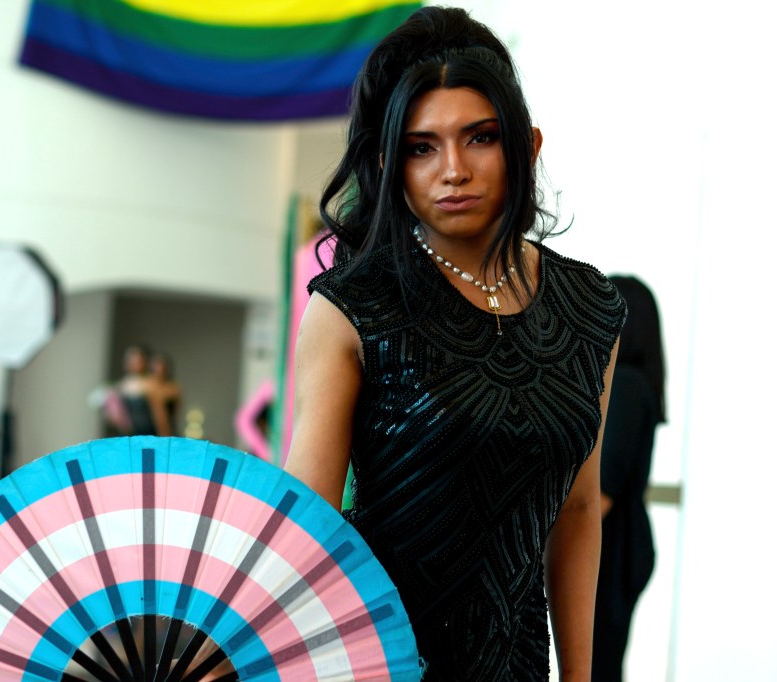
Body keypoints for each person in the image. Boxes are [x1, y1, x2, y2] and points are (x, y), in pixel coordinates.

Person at [283, 6, 627, 681]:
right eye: (422, 147)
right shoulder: (354, 308)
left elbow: (579, 508)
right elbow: (307, 526)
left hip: (517, 663)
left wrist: (581, 676)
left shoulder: (591, 308)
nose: (453, 170)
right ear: (389, 164)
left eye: (480, 138)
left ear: (526, 146)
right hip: (379, 660)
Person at [593, 276, 664, 681]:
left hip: (613, 550)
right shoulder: (636, 385)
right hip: (624, 544)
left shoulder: (625, 385)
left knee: (599, 667)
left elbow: (603, 490)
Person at [148, 351, 183, 437]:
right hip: (148, 432)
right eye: (156, 366)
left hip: (168, 431)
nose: (159, 369)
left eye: (161, 366)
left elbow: (175, 413)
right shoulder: (146, 385)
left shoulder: (173, 388)